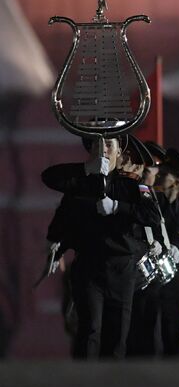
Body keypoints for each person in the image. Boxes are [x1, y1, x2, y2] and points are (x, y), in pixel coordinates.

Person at [41, 134, 162, 359]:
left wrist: (118, 207)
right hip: (89, 267)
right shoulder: (81, 181)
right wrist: (87, 169)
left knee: (117, 337)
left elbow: (152, 216)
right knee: (89, 331)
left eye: (108, 144)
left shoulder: (131, 183)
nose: (103, 148)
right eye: (97, 143)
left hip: (122, 268)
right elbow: (50, 179)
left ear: (118, 151)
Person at [131, 147, 179, 357]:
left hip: (176, 288)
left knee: (172, 340)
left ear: (177, 183)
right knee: (144, 339)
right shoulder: (151, 206)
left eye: (164, 175)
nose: (159, 178)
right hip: (149, 284)